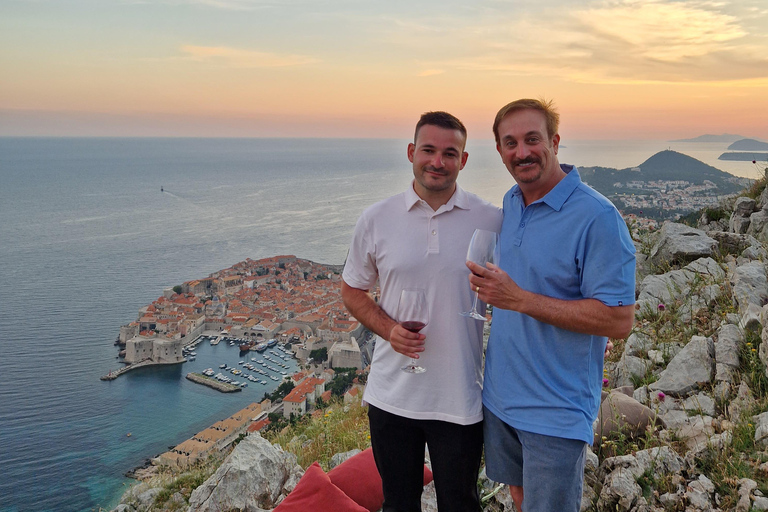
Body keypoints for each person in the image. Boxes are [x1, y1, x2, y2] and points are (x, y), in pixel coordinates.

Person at [467, 99, 636, 512]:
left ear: (555, 141)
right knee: (520, 499)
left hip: (555, 410)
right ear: (500, 151)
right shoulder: (510, 202)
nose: (521, 152)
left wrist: (520, 300)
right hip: (500, 397)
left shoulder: (597, 217)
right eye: (510, 143)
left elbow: (618, 319)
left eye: (532, 139)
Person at [341, 111, 502, 512]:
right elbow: (352, 291)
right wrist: (389, 329)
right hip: (392, 396)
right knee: (397, 504)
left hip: (459, 394)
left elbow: (513, 291)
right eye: (428, 150)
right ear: (411, 152)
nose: (437, 161)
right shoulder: (376, 219)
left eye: (450, 153)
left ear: (463, 161)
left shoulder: (490, 220)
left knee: (461, 504)